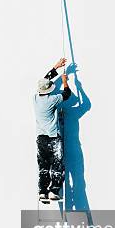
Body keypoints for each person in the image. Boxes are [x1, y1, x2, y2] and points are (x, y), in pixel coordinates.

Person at [34, 58, 74, 202]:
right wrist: (64, 80)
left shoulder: (35, 98)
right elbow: (67, 94)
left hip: (41, 139)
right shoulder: (53, 99)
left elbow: (45, 80)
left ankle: (42, 191)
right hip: (52, 137)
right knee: (57, 164)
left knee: (43, 166)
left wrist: (56, 67)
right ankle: (54, 190)